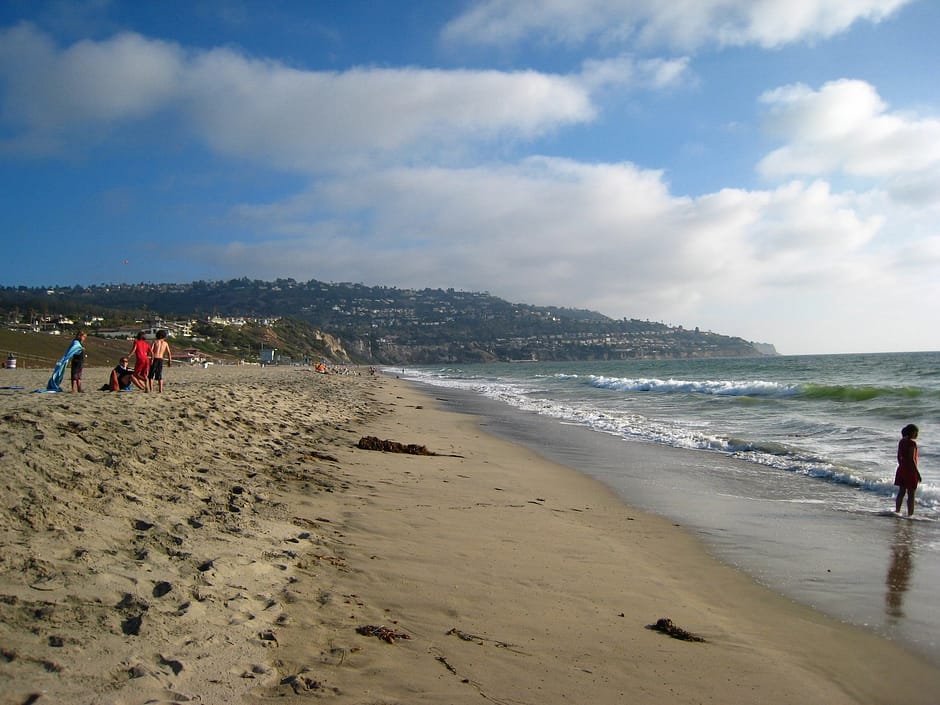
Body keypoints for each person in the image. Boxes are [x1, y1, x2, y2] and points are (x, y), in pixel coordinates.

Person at [894, 424, 921, 516]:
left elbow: (898, 456)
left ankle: (897, 511)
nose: (917, 434)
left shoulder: (902, 441)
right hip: (910, 471)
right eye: (916, 432)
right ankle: (910, 515)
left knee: (901, 491)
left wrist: (901, 465)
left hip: (902, 468)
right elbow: (912, 459)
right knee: (911, 494)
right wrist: (917, 473)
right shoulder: (912, 443)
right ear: (912, 432)